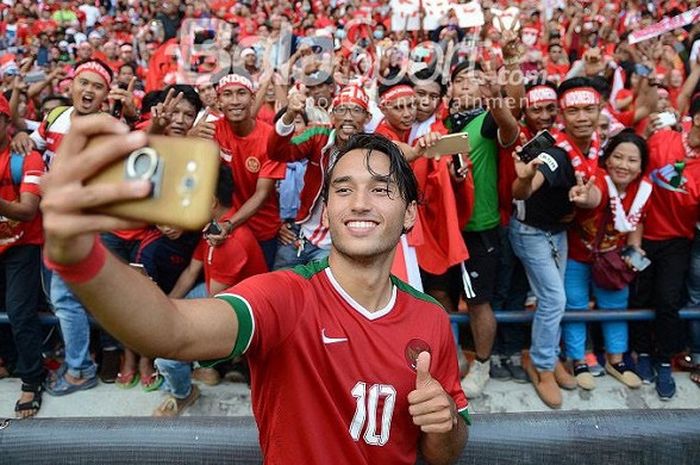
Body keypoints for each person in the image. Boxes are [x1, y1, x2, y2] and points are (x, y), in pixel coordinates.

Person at [41, 119, 470, 464]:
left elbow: (445, 453)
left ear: (410, 213)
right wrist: (80, 256)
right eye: (343, 189)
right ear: (328, 208)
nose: (359, 203)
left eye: (380, 190)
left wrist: (445, 421)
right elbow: (172, 330)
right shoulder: (285, 296)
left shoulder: (430, 317)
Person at [511, 77, 603, 408]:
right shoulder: (556, 152)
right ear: (565, 115)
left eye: (588, 110)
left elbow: (592, 191)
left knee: (552, 301)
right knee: (553, 299)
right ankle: (543, 366)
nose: (581, 117)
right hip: (532, 232)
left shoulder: (596, 144)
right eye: (573, 111)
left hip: (557, 232)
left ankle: (544, 357)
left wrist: (586, 198)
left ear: (599, 111)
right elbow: (525, 188)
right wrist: (522, 181)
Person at [153, 164, 268, 417]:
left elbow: (212, 304)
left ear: (212, 201)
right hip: (216, 294)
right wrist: (162, 308)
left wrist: (167, 323)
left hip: (234, 312)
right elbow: (190, 273)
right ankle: (203, 367)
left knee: (165, 353)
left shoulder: (230, 242)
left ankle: (184, 393)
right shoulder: (214, 227)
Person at [563, 130, 651, 391]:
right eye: (618, 157)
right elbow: (594, 197)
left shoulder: (644, 188)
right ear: (607, 159)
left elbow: (638, 220)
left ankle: (616, 360)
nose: (624, 165)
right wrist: (584, 197)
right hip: (578, 256)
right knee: (575, 306)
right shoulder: (598, 180)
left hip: (613, 259)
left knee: (616, 307)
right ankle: (578, 361)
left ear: (641, 166)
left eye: (632, 160)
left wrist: (635, 248)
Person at [267, 84, 372, 269]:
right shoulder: (318, 135)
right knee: (279, 286)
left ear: (367, 117)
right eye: (341, 109)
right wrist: (290, 114)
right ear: (332, 116)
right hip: (301, 232)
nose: (348, 117)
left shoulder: (373, 151)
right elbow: (278, 152)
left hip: (338, 244)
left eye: (356, 110)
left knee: (319, 294)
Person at [210, 71, 286, 269]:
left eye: (241, 93)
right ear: (218, 102)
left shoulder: (270, 138)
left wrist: (229, 224)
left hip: (261, 231)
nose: (235, 101)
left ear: (253, 98)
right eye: (227, 94)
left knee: (258, 289)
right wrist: (190, 137)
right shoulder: (211, 130)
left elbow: (262, 194)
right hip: (224, 227)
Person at [0, 96, 46, 418]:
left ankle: (32, 380)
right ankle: (7, 361)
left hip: (22, 244)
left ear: (7, 123)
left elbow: (29, 211)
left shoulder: (26, 157)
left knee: (19, 312)